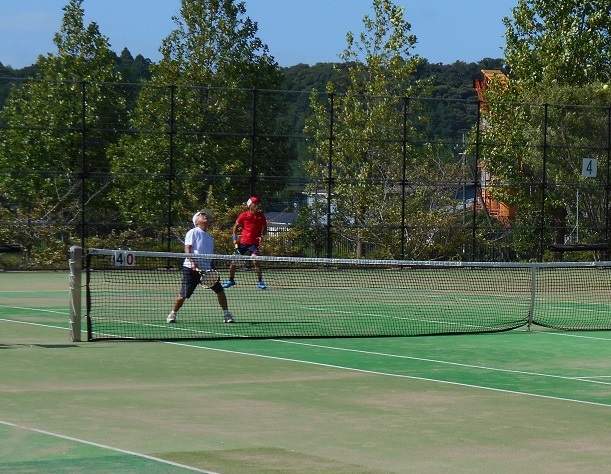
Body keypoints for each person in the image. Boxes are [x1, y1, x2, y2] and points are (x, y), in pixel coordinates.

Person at [167, 209, 234, 324]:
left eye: (206, 215)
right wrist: (192, 262)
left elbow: (210, 256)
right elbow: (187, 248)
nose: (205, 216)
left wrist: (212, 269)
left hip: (207, 271)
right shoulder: (193, 232)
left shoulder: (209, 237)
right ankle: (173, 314)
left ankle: (227, 314)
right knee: (183, 295)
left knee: (220, 291)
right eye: (201, 215)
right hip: (190, 269)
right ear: (196, 222)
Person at [223, 196, 268, 290]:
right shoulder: (243, 215)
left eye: (258, 204)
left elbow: (265, 228)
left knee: (255, 260)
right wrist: (234, 238)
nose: (257, 205)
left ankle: (260, 281)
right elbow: (235, 227)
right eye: (255, 204)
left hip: (254, 244)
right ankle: (231, 280)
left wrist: (262, 236)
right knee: (233, 261)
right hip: (242, 243)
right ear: (250, 205)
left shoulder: (261, 216)